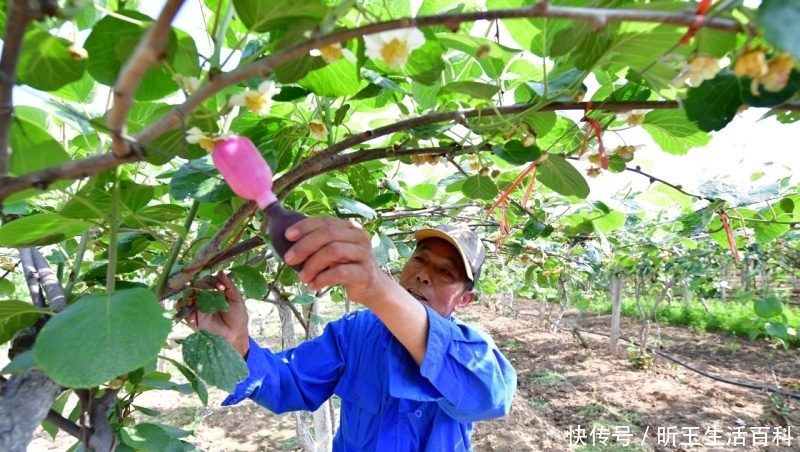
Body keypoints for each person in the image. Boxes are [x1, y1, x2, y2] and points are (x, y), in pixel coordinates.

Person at [190, 216, 517, 451]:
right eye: (420, 259)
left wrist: (378, 290)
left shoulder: (470, 352)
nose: (423, 276)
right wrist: (239, 342)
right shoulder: (357, 333)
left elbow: (489, 397)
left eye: (445, 272)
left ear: (465, 300)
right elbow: (290, 381)